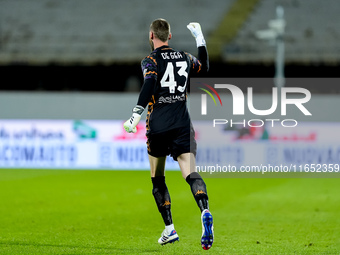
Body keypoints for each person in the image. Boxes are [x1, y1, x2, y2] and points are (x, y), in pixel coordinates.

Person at [123, 18, 213, 250]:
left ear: (151, 36)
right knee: (191, 172)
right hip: (182, 123)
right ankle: (204, 209)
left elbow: (149, 84)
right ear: (170, 36)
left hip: (159, 124)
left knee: (158, 177)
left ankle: (169, 229)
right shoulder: (184, 57)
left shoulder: (150, 60)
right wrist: (199, 38)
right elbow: (204, 67)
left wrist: (135, 115)